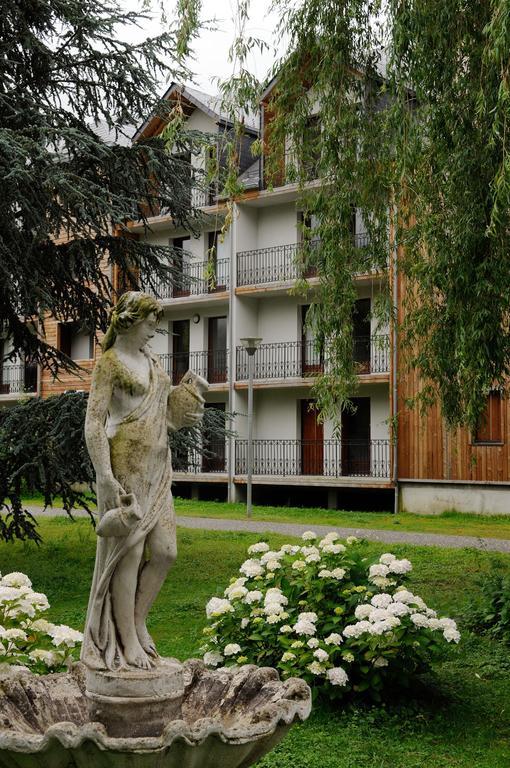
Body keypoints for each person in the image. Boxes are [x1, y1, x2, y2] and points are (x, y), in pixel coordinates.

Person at [81, 291, 206, 671]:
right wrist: (103, 474)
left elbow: (163, 412)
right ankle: (128, 641)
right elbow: (94, 423)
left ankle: (136, 619)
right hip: (125, 467)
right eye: (151, 320)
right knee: (129, 555)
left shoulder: (153, 361)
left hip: (157, 467)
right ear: (132, 320)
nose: (155, 327)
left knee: (166, 551)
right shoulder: (110, 364)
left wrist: (183, 405)